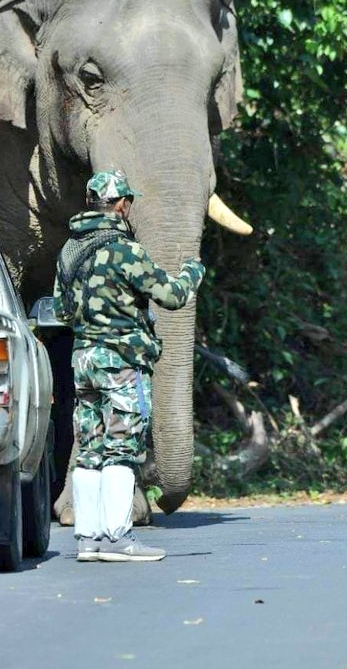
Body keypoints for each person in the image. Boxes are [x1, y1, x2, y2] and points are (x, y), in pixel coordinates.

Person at [53, 169, 205, 563]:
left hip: (83, 361)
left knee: (89, 448)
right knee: (122, 447)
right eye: (128, 202)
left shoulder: (69, 252)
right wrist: (193, 271)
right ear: (121, 204)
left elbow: (61, 310)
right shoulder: (125, 251)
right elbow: (172, 296)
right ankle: (118, 538)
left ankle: (88, 538)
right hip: (121, 362)